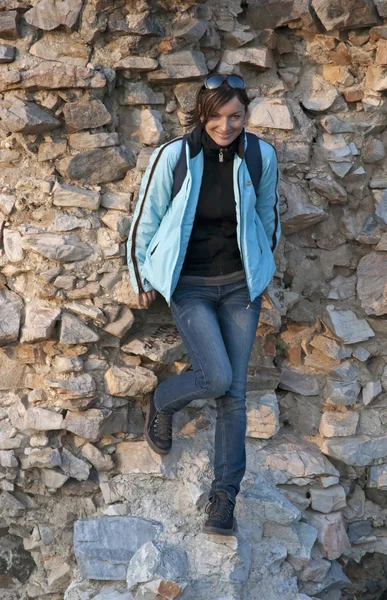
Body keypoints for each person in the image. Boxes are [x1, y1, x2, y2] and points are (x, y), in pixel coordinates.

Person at [127, 73, 280, 536]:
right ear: (201, 113)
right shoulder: (174, 156)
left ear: (245, 115)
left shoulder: (259, 155)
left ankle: (224, 498)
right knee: (215, 378)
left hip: (240, 287)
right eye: (216, 116)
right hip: (190, 285)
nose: (226, 125)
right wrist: (140, 275)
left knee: (234, 395)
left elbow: (269, 215)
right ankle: (164, 400)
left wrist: (262, 269)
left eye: (235, 116)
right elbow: (145, 219)